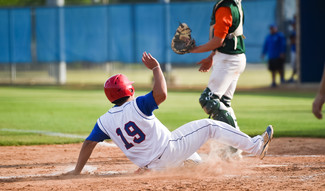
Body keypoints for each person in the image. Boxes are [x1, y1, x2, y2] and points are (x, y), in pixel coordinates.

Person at [65, 52, 274, 175]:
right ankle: (256, 146)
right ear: (128, 90)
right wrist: (156, 68)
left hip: (152, 166)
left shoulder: (104, 121)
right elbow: (162, 94)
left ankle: (191, 166)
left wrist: (76, 172)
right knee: (209, 126)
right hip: (169, 151)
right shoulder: (138, 104)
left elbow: (88, 144)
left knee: (194, 161)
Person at [189, 0, 246, 130]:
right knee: (223, 102)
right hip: (233, 58)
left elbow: (218, 41)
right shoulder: (234, 4)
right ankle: (235, 145)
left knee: (208, 100)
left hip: (228, 60)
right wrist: (211, 57)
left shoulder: (225, 7)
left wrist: (194, 49)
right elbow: (227, 36)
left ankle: (236, 142)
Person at [287, 16, 297, 83]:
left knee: (296, 65)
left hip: (297, 51)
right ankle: (292, 77)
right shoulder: (292, 32)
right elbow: (291, 42)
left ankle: (293, 77)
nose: (293, 25)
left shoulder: (298, 31)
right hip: (293, 50)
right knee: (293, 65)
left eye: (294, 24)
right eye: (292, 24)